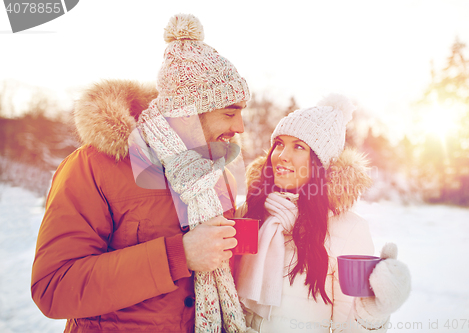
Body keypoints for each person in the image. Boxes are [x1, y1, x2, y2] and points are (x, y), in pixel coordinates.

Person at [31, 14, 251, 333]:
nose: (239, 128)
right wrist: (180, 254)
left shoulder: (221, 176)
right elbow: (54, 288)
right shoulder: (93, 166)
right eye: (229, 113)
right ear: (186, 114)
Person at [235, 94, 411, 332]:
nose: (282, 155)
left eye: (299, 147)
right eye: (279, 143)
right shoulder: (250, 211)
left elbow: (346, 327)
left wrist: (372, 311)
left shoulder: (348, 230)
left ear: (321, 163)